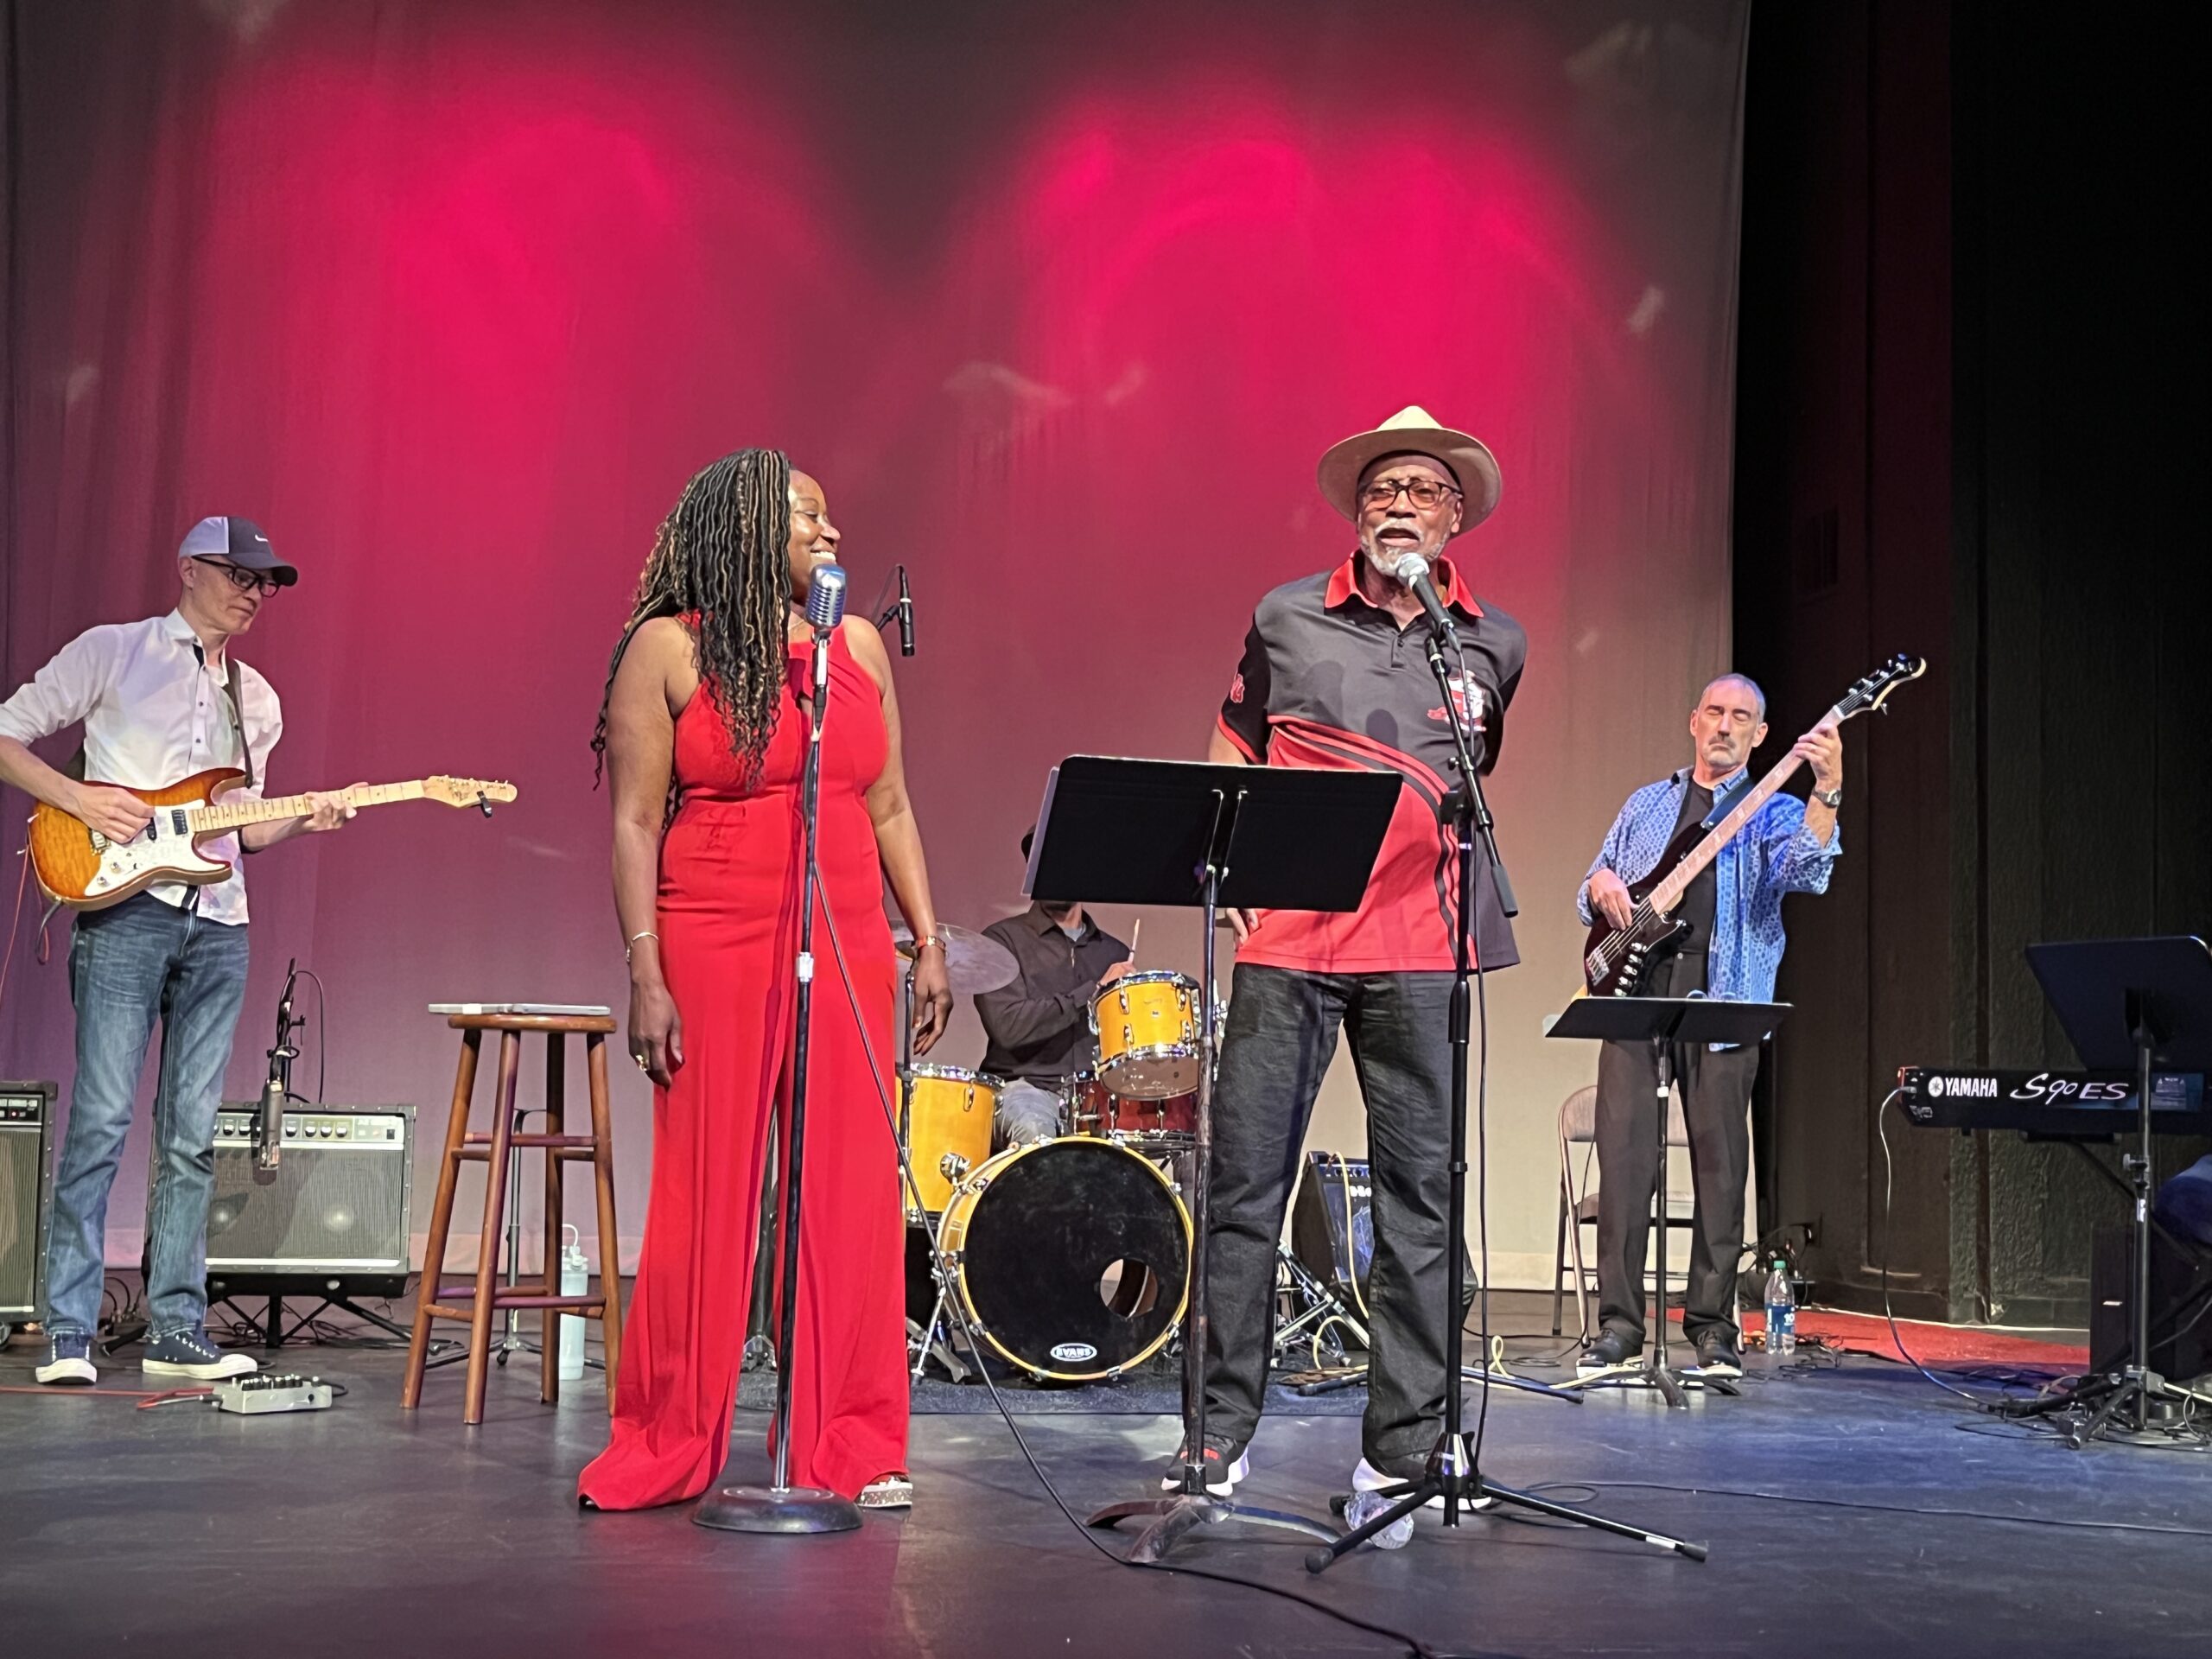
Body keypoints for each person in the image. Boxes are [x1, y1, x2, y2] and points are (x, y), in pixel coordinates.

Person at [580, 448, 952, 1515]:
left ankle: (850, 1441)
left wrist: (926, 938)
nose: (830, 533)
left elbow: (889, 804)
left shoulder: (856, 646)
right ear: (745, 529)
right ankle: (669, 1441)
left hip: (845, 934)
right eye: (806, 518)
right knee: (707, 1194)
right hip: (713, 933)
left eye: (830, 517)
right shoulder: (667, 648)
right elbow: (634, 821)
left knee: (848, 1191)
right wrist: (645, 971)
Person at [1187, 406, 1525, 1504]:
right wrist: (1233, 857)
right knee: (1245, 1187)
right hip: (1290, 939)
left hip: (1423, 943)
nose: (1399, 506)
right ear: (1356, 510)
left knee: (1421, 1199)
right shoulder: (1285, 613)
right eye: (1383, 489)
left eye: (1422, 491)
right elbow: (1235, 736)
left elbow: (1470, 772)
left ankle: (1404, 1446)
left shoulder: (1492, 641)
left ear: (1455, 516)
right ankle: (1216, 1433)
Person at [0, 518, 356, 1387]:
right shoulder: (115, 652)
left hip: (219, 923)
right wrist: (79, 798)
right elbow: (6, 734)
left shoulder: (257, 699)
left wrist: (307, 818)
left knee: (192, 1134)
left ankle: (176, 1330)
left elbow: (248, 826)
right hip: (127, 913)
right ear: (189, 570)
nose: (254, 594)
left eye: (265, 583)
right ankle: (70, 1330)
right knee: (101, 1120)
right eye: (239, 575)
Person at [1576, 674, 1842, 1378]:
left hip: (1726, 995)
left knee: (1722, 1171)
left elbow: (1808, 869)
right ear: (1694, 721)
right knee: (1624, 1163)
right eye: (1715, 713)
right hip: (1635, 994)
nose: (1725, 726)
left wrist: (1827, 790)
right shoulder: (1647, 803)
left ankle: (1712, 1327)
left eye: (1741, 717)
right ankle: (1618, 1327)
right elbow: (1594, 883)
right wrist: (1601, 884)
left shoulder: (1773, 808)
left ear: (1761, 735)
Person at [975, 830, 1131, 1146]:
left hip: (1096, 1098)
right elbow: (1008, 1027)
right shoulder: (1001, 942)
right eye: (1042, 864)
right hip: (1024, 1088)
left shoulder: (1114, 953)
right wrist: (1093, 992)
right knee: (1034, 1129)